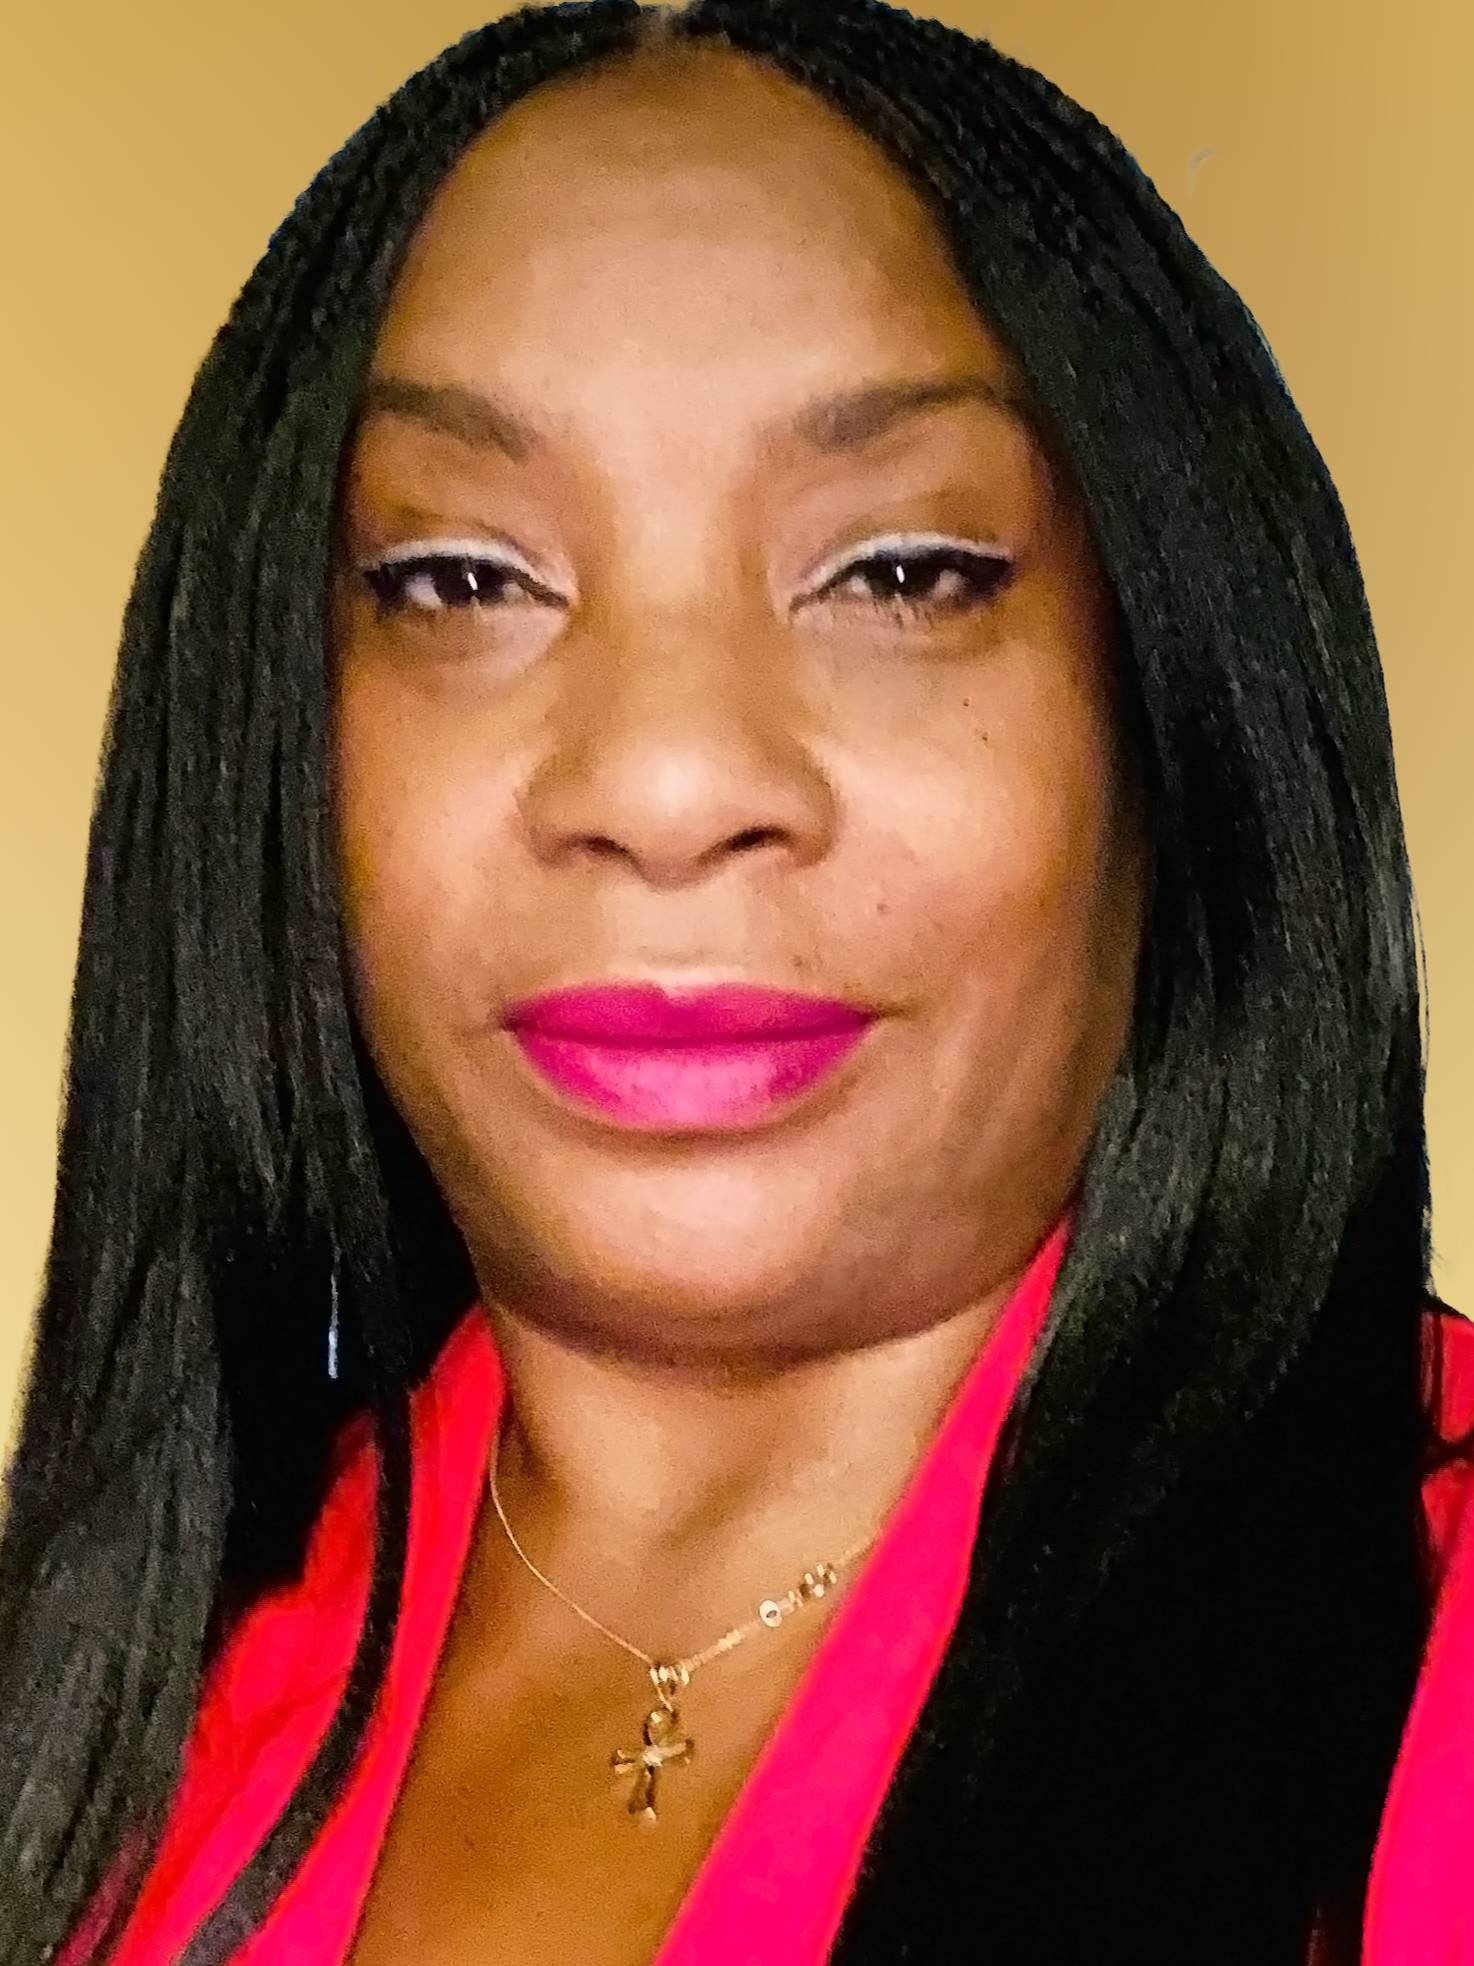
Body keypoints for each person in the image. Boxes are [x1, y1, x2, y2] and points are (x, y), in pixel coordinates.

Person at [1, 1, 1469, 1960]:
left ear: (1175, 697)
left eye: (897, 572)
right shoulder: (118, 1691)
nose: (668, 782)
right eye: (461, 579)